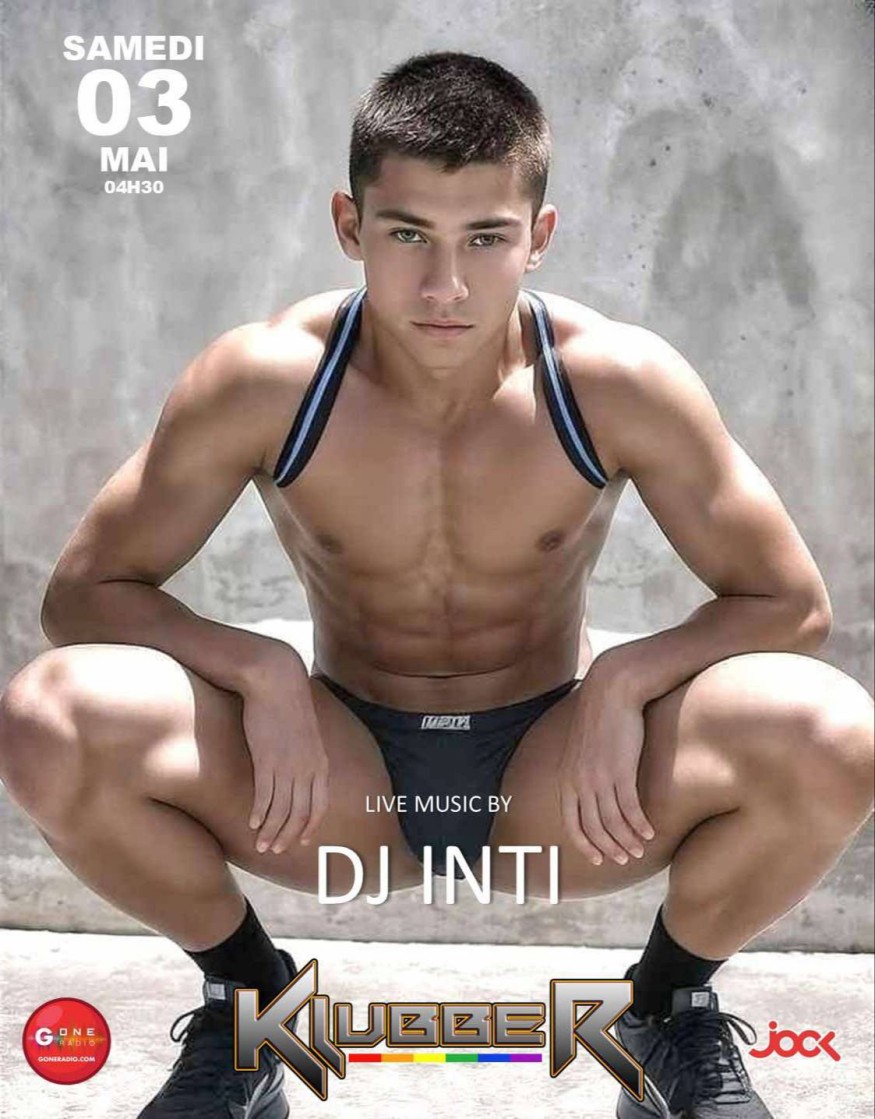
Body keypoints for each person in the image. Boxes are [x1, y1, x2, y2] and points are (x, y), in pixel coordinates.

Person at [0, 50, 872, 1119]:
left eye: (485, 239)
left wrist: (626, 678)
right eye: (408, 234)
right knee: (49, 714)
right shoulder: (267, 378)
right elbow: (84, 595)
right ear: (349, 224)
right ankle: (251, 1010)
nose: (445, 286)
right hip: (337, 778)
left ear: (538, 237)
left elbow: (788, 603)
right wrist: (257, 668)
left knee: (832, 729)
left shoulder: (614, 380)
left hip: (549, 783)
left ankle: (662, 1012)